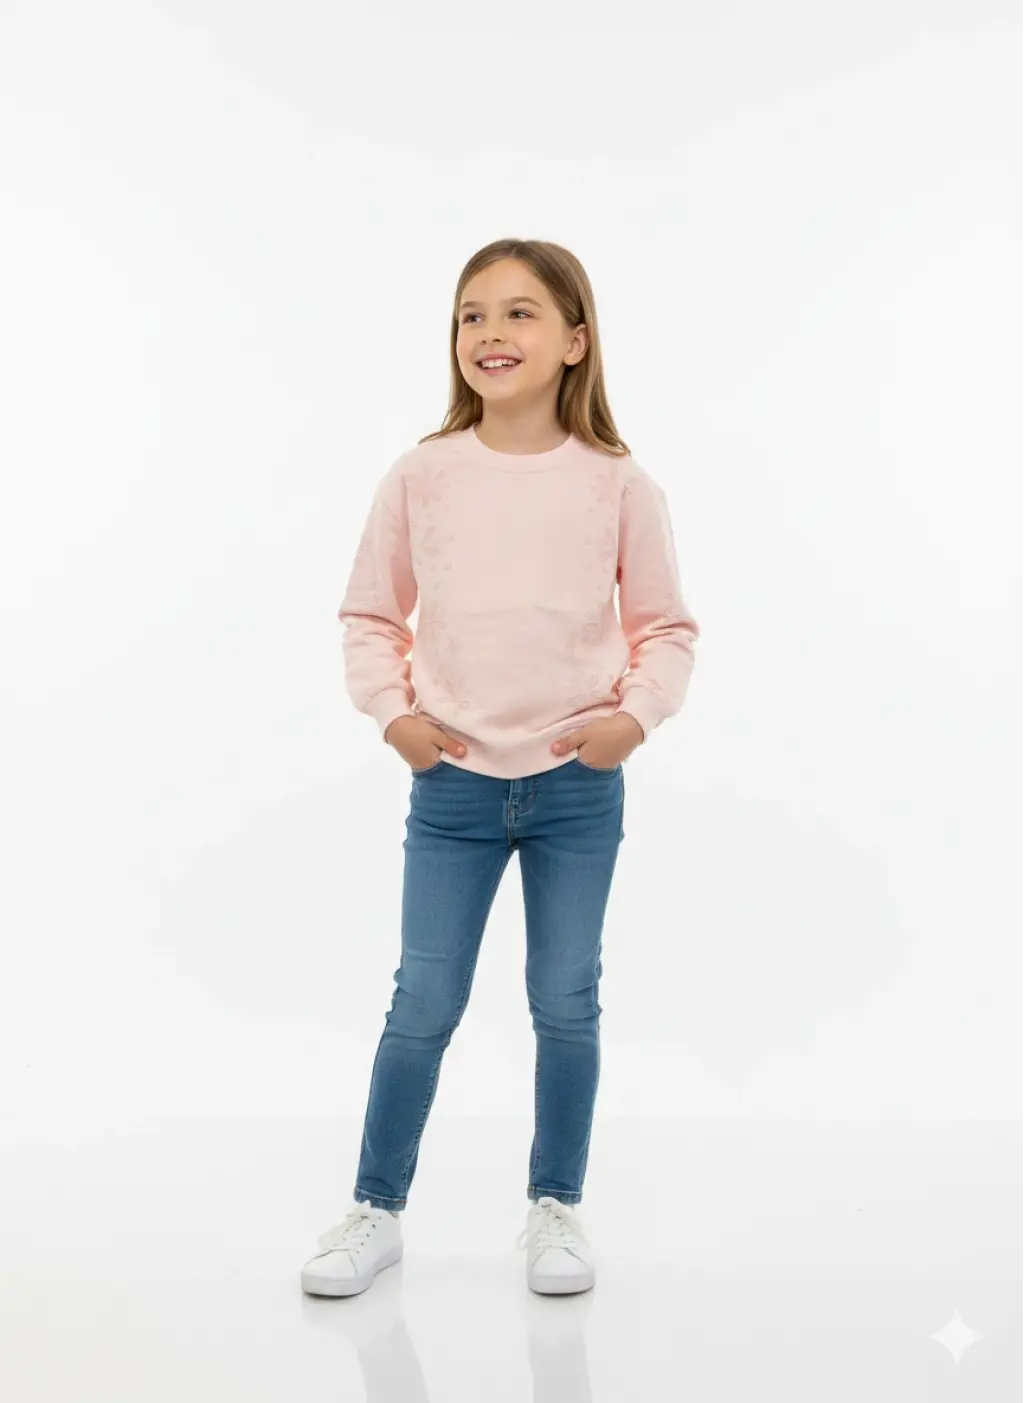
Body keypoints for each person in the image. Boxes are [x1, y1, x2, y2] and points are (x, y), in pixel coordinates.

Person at [301, 238, 700, 1300]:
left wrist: (632, 721)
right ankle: (376, 1209)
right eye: (471, 314)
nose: (490, 333)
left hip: (576, 786)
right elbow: (370, 613)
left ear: (574, 341)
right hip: (453, 788)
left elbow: (665, 626)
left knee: (565, 997)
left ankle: (554, 1205)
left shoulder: (618, 484)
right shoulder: (421, 476)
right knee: (423, 997)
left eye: (519, 313)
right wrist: (394, 715)